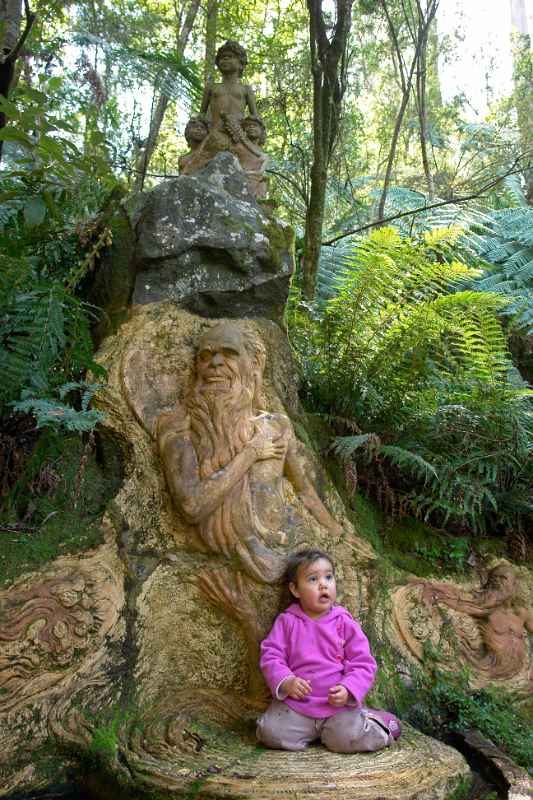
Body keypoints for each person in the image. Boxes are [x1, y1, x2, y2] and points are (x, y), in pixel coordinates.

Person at [256, 549, 400, 753]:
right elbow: (271, 655)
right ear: (295, 590)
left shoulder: (343, 622)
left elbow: (363, 663)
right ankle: (316, 732)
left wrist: (348, 689)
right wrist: (286, 681)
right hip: (298, 705)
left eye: (329, 577)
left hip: (337, 707)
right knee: (269, 732)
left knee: (349, 739)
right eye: (313, 579)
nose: (323, 584)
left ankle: (379, 723)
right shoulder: (287, 621)